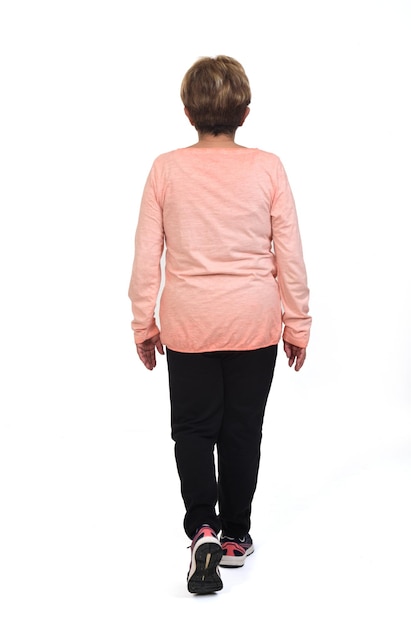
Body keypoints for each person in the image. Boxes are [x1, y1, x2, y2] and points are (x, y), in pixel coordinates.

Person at [128, 55, 311, 594]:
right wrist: (297, 321)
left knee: (192, 429)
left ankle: (201, 529)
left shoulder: (166, 167)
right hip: (254, 321)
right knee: (240, 430)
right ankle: (235, 535)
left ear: (187, 113)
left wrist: (144, 321)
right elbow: (290, 254)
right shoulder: (267, 167)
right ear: (246, 113)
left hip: (189, 323)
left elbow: (146, 256)